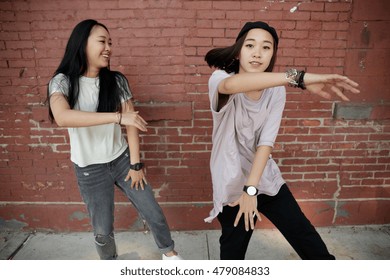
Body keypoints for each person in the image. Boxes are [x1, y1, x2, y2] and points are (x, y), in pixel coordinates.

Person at [204, 21, 360, 260]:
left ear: (272, 54)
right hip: (232, 184)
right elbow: (231, 85)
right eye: (250, 45)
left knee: (310, 244)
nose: (257, 52)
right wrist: (298, 78)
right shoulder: (219, 78)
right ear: (238, 50)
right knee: (232, 256)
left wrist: (252, 188)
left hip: (264, 179)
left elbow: (266, 142)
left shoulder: (276, 90)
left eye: (266, 47)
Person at [47, 19, 182, 260]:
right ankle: (111, 265)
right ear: (82, 43)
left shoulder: (116, 80)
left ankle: (170, 255)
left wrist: (135, 163)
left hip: (121, 161)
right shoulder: (62, 82)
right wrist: (117, 117)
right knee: (103, 230)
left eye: (110, 43)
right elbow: (63, 117)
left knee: (152, 211)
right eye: (102, 41)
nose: (108, 47)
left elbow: (131, 125)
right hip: (90, 169)